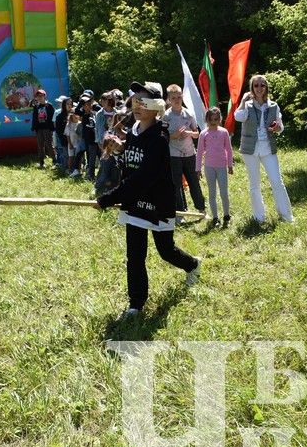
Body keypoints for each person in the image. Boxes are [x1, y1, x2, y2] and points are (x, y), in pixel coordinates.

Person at [96, 81, 201, 318]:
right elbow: (134, 160)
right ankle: (136, 304)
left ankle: (192, 265)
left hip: (157, 203)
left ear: (156, 108)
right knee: (135, 255)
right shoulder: (134, 131)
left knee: (166, 251)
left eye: (144, 102)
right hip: (134, 202)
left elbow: (144, 176)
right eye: (135, 100)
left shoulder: (159, 138)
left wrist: (109, 198)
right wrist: (121, 148)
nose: (137, 105)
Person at [233, 74, 294, 223]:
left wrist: (278, 128)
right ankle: (259, 217)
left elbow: (281, 127)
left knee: (277, 181)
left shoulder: (273, 106)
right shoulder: (247, 106)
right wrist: (242, 101)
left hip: (267, 148)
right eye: (256, 85)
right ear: (252, 88)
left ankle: (286, 216)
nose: (259, 88)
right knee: (255, 184)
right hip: (250, 150)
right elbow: (238, 117)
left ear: (266, 87)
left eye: (262, 85)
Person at [162, 84, 205, 219]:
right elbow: (162, 137)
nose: (177, 100)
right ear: (168, 99)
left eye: (179, 97)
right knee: (176, 184)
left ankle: (201, 208)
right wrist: (173, 135)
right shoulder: (165, 116)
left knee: (193, 181)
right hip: (173, 154)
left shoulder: (188, 113)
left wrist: (190, 133)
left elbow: (197, 133)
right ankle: (180, 212)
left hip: (189, 153)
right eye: (173, 98)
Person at [196, 107, 234, 227]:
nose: (213, 122)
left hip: (222, 166)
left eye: (216, 119)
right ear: (207, 120)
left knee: (224, 192)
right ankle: (215, 217)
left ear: (220, 119)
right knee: (212, 193)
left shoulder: (224, 132)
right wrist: (198, 169)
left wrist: (230, 164)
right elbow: (200, 152)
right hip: (209, 167)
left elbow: (228, 149)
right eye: (211, 119)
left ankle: (226, 214)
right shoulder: (203, 134)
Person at [30, 89, 55, 168]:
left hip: (47, 128)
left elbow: (53, 117)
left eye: (41, 96)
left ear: (45, 96)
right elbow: (34, 117)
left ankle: (55, 160)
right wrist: (34, 127)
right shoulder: (36, 107)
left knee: (49, 145)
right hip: (39, 129)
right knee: (40, 146)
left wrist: (52, 127)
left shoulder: (49, 105)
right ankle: (41, 162)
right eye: (38, 96)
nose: (40, 97)